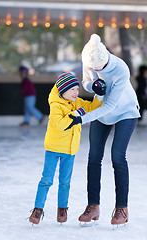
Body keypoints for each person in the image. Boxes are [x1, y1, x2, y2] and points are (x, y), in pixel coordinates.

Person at [66, 34, 140, 226]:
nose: (93, 69)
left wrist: (81, 119)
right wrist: (94, 86)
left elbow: (110, 106)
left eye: (97, 67)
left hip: (125, 112)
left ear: (105, 60)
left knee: (117, 157)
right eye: (91, 67)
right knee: (94, 157)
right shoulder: (88, 59)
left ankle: (122, 209)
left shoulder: (120, 69)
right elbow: (86, 82)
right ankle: (93, 206)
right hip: (100, 111)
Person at [28, 72, 105, 225]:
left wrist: (100, 95)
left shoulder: (77, 102)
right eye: (72, 90)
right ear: (63, 91)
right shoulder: (56, 105)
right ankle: (38, 209)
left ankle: (62, 209)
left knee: (65, 181)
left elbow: (92, 107)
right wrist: (77, 114)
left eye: (77, 89)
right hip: (54, 148)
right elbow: (61, 124)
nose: (76, 93)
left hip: (70, 150)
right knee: (47, 180)